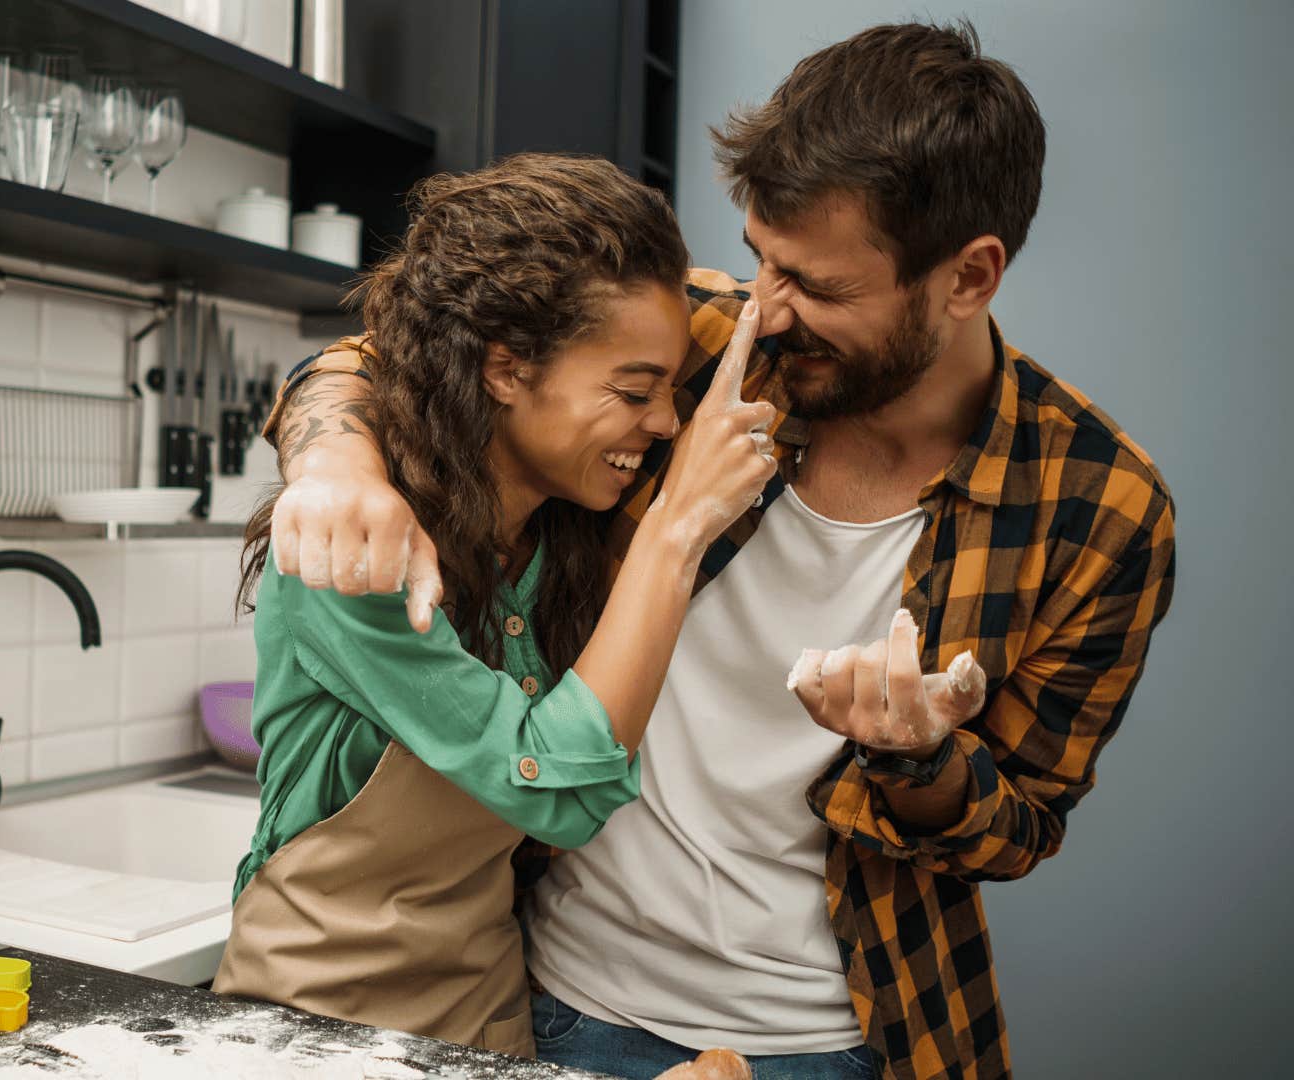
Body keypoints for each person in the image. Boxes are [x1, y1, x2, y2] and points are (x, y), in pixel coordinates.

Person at [254, 21, 1176, 1080]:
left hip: (838, 1041)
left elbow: (1016, 830)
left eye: (819, 287)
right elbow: (397, 354)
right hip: (555, 996)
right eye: (759, 261)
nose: (769, 311)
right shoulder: (685, 346)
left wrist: (919, 758)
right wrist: (335, 467)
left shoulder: (1098, 507)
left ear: (968, 277)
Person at [213, 153, 776, 1060]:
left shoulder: (559, 525)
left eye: (670, 390)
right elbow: (558, 789)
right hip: (312, 1029)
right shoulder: (355, 552)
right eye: (635, 392)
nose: (668, 424)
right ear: (505, 370)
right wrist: (679, 529)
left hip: (492, 1021)